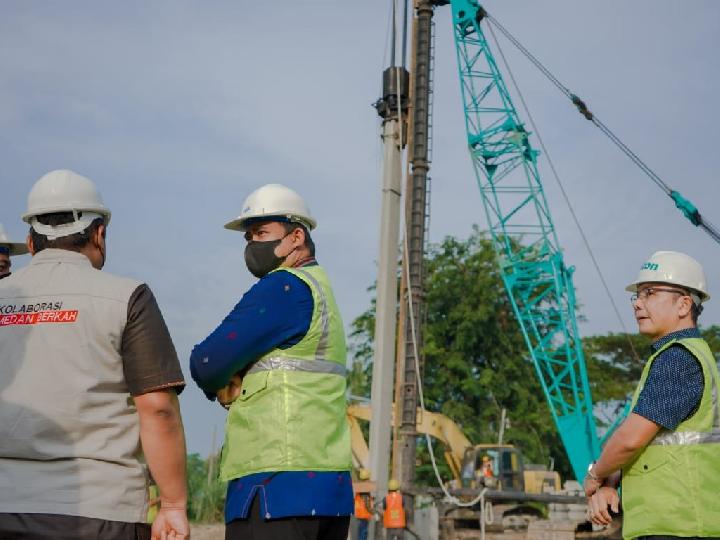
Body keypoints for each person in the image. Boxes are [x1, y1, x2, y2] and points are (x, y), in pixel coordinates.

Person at [0, 169, 189, 540]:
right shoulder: (128, 297)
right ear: (99, 233)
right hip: (101, 512)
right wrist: (172, 505)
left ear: (31, 241)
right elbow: (158, 409)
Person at [190, 183, 353, 540]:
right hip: (329, 490)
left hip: (275, 487)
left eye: (262, 232)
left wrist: (228, 379)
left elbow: (206, 361)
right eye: (248, 237)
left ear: (296, 237)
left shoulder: (285, 287)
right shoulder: (321, 289)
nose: (253, 245)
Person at [584, 251, 720, 538]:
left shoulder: (678, 359)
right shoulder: (681, 356)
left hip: (676, 524)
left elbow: (630, 440)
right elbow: (651, 442)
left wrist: (596, 474)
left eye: (650, 293)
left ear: (684, 304)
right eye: (637, 295)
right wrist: (610, 482)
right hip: (677, 522)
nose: (637, 303)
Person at [354, 469, 374, 540]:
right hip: (364, 515)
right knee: (363, 533)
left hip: (359, 514)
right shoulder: (365, 489)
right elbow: (367, 503)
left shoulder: (360, 488)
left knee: (361, 533)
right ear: (367, 479)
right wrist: (373, 512)